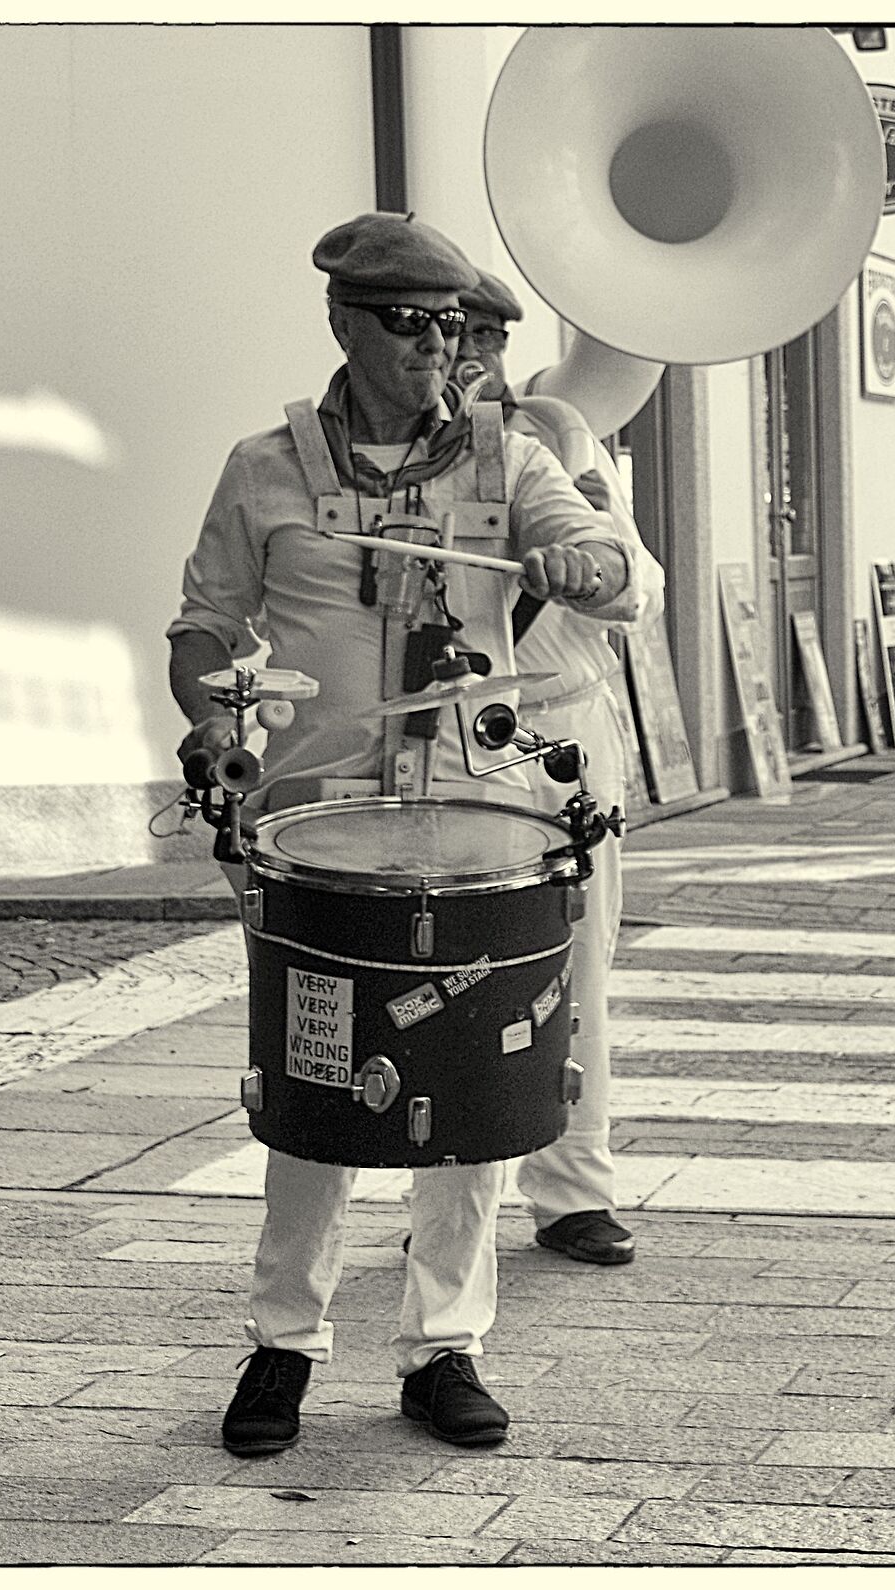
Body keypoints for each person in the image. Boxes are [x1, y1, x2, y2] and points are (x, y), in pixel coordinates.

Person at [167, 214, 637, 1457]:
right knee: (315, 1076)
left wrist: (583, 561)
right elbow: (205, 625)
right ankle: (283, 1342)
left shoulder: (508, 458)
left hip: (475, 823)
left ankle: (445, 1347)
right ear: (346, 325)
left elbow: (610, 568)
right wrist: (212, 720)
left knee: (471, 1083)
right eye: (410, 324)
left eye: (450, 323)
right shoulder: (264, 467)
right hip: (319, 830)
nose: (438, 346)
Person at [452, 269, 666, 1270]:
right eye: (448, 334)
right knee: (457, 972)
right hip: (459, 735)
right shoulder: (403, 464)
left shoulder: (559, 442)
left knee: (579, 967)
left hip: (568, 731)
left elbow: (641, 594)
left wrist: (595, 534)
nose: (465, 356)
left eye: (485, 339)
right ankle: (452, 1191)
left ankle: (574, 1191)